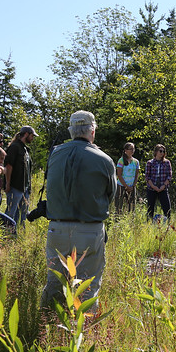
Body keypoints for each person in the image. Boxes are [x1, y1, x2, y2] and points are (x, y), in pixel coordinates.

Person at [40, 111, 116, 311]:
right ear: (92, 130)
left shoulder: (55, 154)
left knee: (55, 281)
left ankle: (47, 325)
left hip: (56, 228)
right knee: (86, 285)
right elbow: (110, 195)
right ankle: (83, 330)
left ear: (71, 131)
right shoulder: (104, 159)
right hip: (89, 230)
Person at [5, 125, 38, 226]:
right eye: (32, 136)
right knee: (11, 212)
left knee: (23, 213)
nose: (32, 138)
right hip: (15, 186)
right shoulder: (14, 147)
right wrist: (8, 184)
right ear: (26, 134)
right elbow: (8, 166)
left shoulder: (25, 149)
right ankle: (7, 233)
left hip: (24, 188)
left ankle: (18, 234)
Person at [145, 144, 172, 221]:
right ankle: (149, 224)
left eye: (163, 151)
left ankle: (168, 224)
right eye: (160, 151)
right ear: (156, 152)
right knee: (150, 208)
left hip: (163, 188)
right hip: (151, 188)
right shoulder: (150, 163)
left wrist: (163, 186)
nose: (162, 153)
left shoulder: (167, 162)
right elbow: (147, 176)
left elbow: (169, 176)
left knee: (167, 208)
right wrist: (153, 186)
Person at [115, 142, 140, 214]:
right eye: (130, 149)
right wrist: (126, 186)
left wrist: (133, 186)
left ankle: (131, 220)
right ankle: (117, 219)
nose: (132, 150)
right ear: (125, 150)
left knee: (132, 206)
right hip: (121, 186)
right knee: (119, 205)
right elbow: (119, 175)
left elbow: (136, 175)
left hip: (132, 186)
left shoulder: (136, 162)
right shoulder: (121, 160)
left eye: (133, 149)